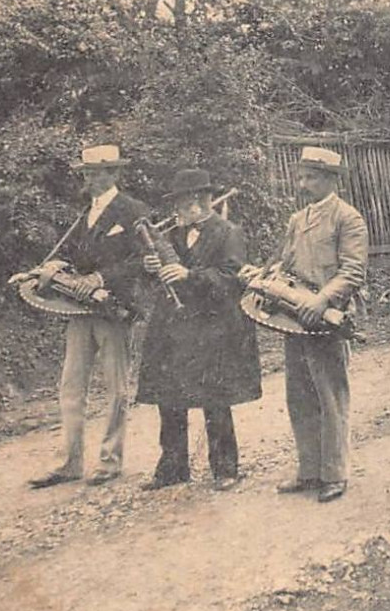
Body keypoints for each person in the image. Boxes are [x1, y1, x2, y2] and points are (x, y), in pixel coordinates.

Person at [246, 146, 367, 504]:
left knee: (330, 393)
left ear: (330, 180)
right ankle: (309, 469)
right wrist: (263, 275)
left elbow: (353, 271)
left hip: (328, 317)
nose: (303, 184)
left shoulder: (348, 218)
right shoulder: (297, 221)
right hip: (293, 316)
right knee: (299, 393)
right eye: (301, 177)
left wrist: (322, 299)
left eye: (311, 177)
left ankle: (334, 473)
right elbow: (285, 264)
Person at [28, 144, 150, 490]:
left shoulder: (132, 210)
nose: (89, 178)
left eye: (96, 172)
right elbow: (69, 252)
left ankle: (110, 462)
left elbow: (143, 261)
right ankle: (70, 462)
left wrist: (100, 279)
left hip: (113, 309)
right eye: (86, 172)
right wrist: (51, 267)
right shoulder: (85, 212)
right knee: (71, 386)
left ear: (113, 173)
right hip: (79, 310)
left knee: (116, 388)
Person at [136, 167, 260, 491]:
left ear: (201, 200)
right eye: (177, 202)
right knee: (169, 397)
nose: (180, 208)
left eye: (186, 201)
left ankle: (225, 468)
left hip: (212, 325)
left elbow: (232, 278)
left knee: (214, 398)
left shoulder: (228, 232)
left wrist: (190, 276)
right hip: (174, 328)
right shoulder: (173, 235)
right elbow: (162, 277)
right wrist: (152, 269)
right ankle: (173, 469)